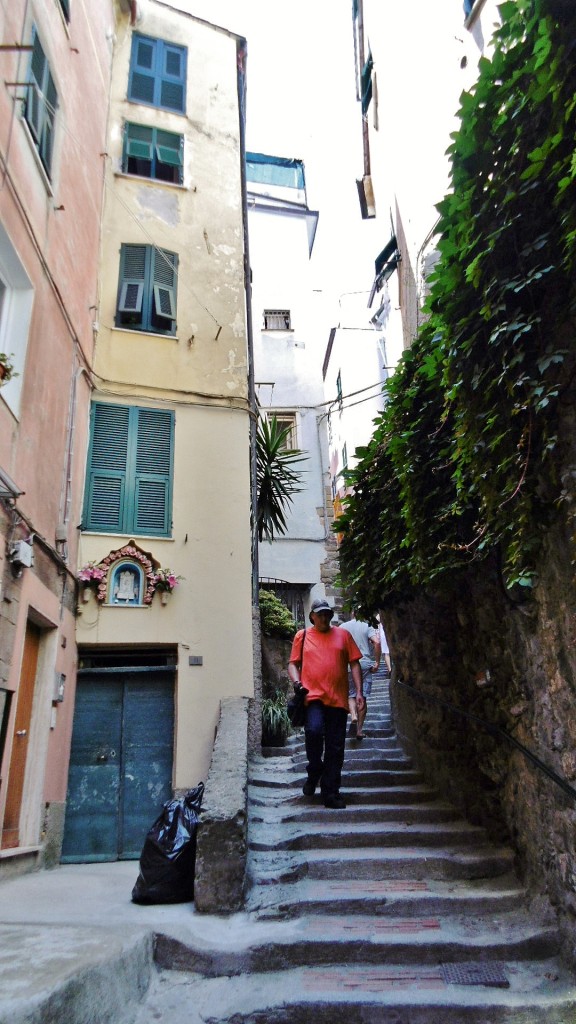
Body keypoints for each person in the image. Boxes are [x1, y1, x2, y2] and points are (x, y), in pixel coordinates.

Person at [288, 597, 364, 809]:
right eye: (319, 614)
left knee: (335, 747)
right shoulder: (302, 636)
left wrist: (358, 692)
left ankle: (331, 792)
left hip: (338, 699)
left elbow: (355, 664)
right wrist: (296, 682)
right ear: (312, 616)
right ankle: (315, 770)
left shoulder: (343, 635)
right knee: (313, 731)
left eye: (327, 613)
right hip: (312, 697)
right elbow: (293, 664)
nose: (324, 617)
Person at [340, 608, 380, 740]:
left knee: (350, 694)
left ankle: (353, 715)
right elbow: (377, 642)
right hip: (364, 664)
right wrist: (377, 662)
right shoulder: (367, 626)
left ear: (351, 613)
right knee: (362, 695)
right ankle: (359, 730)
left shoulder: (342, 627)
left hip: (347, 665)